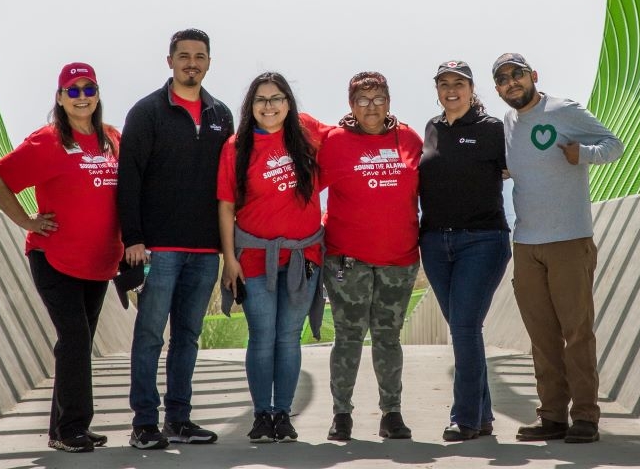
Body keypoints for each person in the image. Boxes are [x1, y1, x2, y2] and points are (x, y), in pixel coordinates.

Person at [0, 62, 122, 453]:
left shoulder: (112, 139)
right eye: (72, 90)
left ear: (97, 94)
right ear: (60, 98)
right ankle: (71, 428)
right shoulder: (47, 141)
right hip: (54, 259)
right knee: (75, 339)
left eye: (88, 88)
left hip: (98, 261)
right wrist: (25, 220)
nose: (82, 96)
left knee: (79, 342)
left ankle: (64, 427)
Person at [494, 52, 624, 445]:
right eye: (502, 79)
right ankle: (551, 416)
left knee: (577, 332)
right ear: (498, 89)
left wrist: (583, 154)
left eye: (517, 74)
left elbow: (614, 145)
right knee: (542, 336)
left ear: (533, 75)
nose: (511, 82)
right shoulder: (508, 123)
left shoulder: (562, 109)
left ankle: (585, 415)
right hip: (527, 242)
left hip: (569, 239)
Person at [117, 29, 234, 449]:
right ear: (169, 61)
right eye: (183, 56)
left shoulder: (222, 114)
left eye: (199, 56)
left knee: (187, 337)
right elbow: (127, 180)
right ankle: (144, 423)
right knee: (150, 334)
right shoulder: (147, 112)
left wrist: (228, 250)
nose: (192, 63)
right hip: (159, 249)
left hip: (205, 250)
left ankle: (179, 420)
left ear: (208, 62)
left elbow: (228, 188)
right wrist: (133, 239)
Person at [217, 72, 324, 443]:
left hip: (302, 257)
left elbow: (348, 136)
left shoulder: (308, 134)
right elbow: (226, 204)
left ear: (289, 103)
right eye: (261, 99)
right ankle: (262, 414)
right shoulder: (236, 146)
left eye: (277, 98)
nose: (269, 105)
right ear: (251, 106)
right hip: (254, 258)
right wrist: (229, 259)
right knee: (262, 337)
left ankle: (284, 414)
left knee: (289, 337)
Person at [316, 71, 422, 442]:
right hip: (348, 259)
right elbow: (305, 186)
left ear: (389, 101)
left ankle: (391, 413)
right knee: (348, 336)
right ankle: (341, 414)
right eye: (362, 100)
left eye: (378, 98)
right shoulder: (334, 142)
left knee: (388, 337)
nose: (371, 106)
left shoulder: (409, 138)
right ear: (351, 106)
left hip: (400, 258)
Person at [417, 60, 511, 441]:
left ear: (473, 89)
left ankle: (465, 418)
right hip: (436, 243)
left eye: (459, 83)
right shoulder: (432, 128)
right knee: (464, 329)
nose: (451, 90)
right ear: (436, 89)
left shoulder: (492, 130)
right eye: (444, 83)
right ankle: (482, 415)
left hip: (482, 240)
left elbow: (518, 169)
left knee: (464, 328)